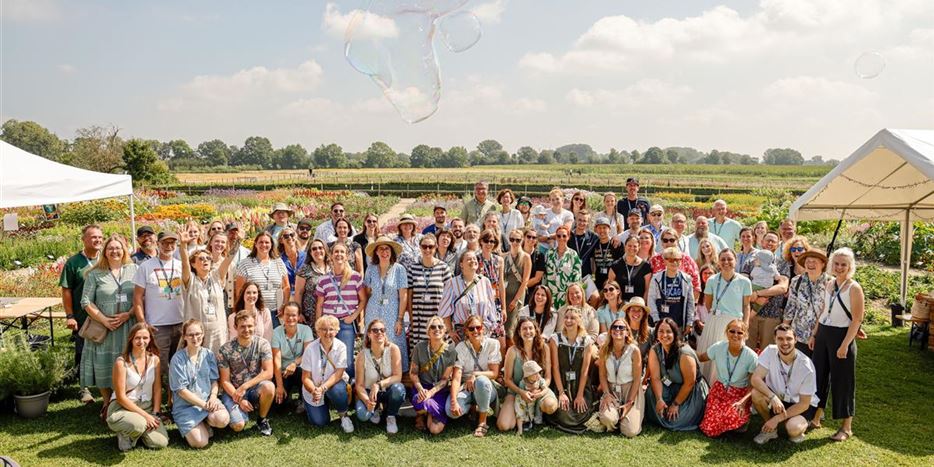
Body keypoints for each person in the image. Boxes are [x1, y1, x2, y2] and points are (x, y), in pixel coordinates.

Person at [80, 234, 137, 419]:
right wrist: (105, 320)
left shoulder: (134, 270)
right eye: (111, 248)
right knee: (104, 364)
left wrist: (128, 314)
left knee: (127, 363)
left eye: (118, 247)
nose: (115, 251)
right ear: (105, 251)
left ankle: (126, 398)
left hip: (128, 325)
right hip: (104, 328)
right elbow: (86, 301)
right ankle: (106, 401)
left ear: (124, 250)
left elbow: (141, 297)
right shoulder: (95, 274)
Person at [809, 247, 863, 441]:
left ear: (850, 267)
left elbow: (857, 320)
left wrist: (845, 345)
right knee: (819, 377)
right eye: (837, 263)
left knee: (842, 382)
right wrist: (814, 334)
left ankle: (846, 427)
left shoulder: (854, 288)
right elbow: (823, 310)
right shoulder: (830, 283)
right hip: (823, 332)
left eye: (844, 265)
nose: (839, 267)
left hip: (842, 336)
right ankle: (816, 417)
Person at [133, 231, 185, 407]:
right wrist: (143, 323)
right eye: (165, 243)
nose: (169, 246)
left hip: (180, 324)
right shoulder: (146, 267)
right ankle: (156, 403)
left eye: (172, 243)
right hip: (157, 326)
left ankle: (172, 401)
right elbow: (138, 298)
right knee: (159, 368)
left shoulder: (180, 265)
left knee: (177, 366)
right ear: (157, 244)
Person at [750, 324, 818, 445]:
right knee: (756, 394)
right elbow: (755, 379)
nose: (785, 342)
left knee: (793, 429)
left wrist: (778, 418)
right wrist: (772, 397)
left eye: (789, 338)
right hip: (778, 399)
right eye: (780, 339)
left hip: (799, 404)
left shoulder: (806, 366)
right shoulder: (770, 351)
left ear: (795, 339)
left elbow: (804, 404)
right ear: (775, 339)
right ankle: (771, 430)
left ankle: (796, 424)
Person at [107, 323, 168, 451]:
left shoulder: (155, 360)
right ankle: (125, 433)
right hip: (123, 407)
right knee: (139, 424)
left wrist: (155, 413)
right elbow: (121, 398)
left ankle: (136, 432)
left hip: (146, 406)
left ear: (150, 339)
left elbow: (157, 388)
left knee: (160, 442)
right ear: (131, 339)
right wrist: (146, 417)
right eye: (137, 338)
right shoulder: (121, 362)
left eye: (145, 338)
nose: (142, 341)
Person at [170, 319, 230, 448]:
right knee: (200, 443)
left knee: (223, 420)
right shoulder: (177, 359)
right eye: (190, 335)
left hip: (207, 401)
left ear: (203, 335)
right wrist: (204, 405)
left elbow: (214, 381)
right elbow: (181, 391)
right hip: (185, 406)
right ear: (184, 336)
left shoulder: (208, 354)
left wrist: (213, 398)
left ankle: (206, 421)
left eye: (198, 334)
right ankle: (202, 424)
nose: (195, 338)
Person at [61, 224, 103, 404]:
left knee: (104, 351)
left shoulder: (106, 259)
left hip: (104, 316)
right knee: (82, 353)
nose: (98, 240)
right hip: (82, 317)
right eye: (93, 237)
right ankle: (84, 388)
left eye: (100, 237)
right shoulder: (74, 263)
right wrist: (70, 316)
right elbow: (67, 290)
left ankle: (105, 384)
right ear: (84, 239)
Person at [698, 249, 752, 383]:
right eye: (723, 259)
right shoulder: (712, 280)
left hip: (734, 324)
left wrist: (745, 324)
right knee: (710, 356)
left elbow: (746, 306)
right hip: (715, 322)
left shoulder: (744, 281)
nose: (726, 262)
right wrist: (717, 316)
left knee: (727, 358)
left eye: (729, 259)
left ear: (735, 260)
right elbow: (709, 303)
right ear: (718, 262)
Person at [218, 310, 275, 436]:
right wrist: (239, 399)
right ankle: (234, 412)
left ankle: (262, 419)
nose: (247, 329)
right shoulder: (225, 349)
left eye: (250, 326)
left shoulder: (262, 344)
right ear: (235, 327)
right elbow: (225, 381)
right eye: (242, 326)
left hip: (252, 389)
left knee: (269, 387)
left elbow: (268, 372)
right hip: (233, 391)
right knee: (238, 426)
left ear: (254, 326)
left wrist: (245, 386)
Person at [645, 318, 708, 431]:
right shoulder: (655, 349)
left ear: (675, 333)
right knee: (651, 393)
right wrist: (659, 399)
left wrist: (675, 404)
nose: (664, 335)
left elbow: (689, 383)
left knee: (675, 422)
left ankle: (676, 410)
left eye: (669, 331)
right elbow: (655, 377)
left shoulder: (684, 353)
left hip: (689, 390)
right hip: (669, 385)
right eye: (661, 331)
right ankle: (662, 408)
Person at [697, 319, 758, 437]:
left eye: (740, 333)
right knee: (709, 426)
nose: (735, 335)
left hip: (739, 394)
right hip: (719, 391)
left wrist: (742, 402)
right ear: (726, 332)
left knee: (732, 415)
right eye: (732, 331)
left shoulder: (751, 356)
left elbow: (753, 385)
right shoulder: (718, 347)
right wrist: (684, 349)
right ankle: (730, 427)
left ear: (745, 335)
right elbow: (701, 357)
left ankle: (740, 423)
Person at [314, 242, 366, 380]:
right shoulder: (323, 280)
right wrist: (318, 326)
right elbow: (319, 304)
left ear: (347, 256)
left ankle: (349, 391)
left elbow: (363, 300)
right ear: (330, 256)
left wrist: (354, 316)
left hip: (345, 322)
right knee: (328, 357)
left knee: (347, 360)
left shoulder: (355, 277)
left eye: (342, 252)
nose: (339, 255)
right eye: (336, 252)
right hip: (328, 325)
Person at [179, 231, 237, 353]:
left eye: (208, 258)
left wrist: (238, 242)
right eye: (200, 259)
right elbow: (185, 264)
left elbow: (228, 259)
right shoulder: (190, 280)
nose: (205, 261)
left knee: (218, 366)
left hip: (218, 333)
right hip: (196, 335)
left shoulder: (216, 277)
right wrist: (183, 246)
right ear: (193, 264)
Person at [497, 316, 558, 432]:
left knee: (550, 405)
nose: (528, 332)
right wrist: (522, 392)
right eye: (524, 329)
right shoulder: (513, 351)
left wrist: (542, 391)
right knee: (503, 426)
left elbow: (548, 377)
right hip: (517, 391)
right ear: (519, 332)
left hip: (539, 389)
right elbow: (508, 379)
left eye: (531, 328)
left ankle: (536, 412)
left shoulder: (545, 348)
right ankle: (519, 413)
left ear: (536, 331)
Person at [447, 315, 502, 437]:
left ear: (483, 328)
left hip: (486, 386)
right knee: (450, 412)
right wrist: (453, 401)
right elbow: (456, 378)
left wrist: (475, 375)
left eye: (478, 327)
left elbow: (494, 373)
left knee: (481, 381)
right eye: (471, 329)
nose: (475, 331)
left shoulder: (493, 344)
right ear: (466, 331)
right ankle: (472, 408)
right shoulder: (461, 347)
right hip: (466, 387)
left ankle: (482, 421)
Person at [300, 315, 354, 432]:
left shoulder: (341, 347)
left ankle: (343, 415)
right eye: (323, 329)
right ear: (318, 331)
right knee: (320, 422)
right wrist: (314, 390)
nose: (327, 332)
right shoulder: (310, 348)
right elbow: (305, 378)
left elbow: (338, 374)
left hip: (332, 385)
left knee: (338, 389)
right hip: (314, 388)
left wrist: (322, 388)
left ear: (336, 331)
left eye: (331, 329)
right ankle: (311, 405)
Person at [363, 236, 409, 369]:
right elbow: (367, 292)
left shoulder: (399, 269)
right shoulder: (371, 269)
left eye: (387, 249)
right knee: (373, 338)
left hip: (393, 311)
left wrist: (400, 319)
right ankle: (373, 370)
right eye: (381, 249)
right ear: (376, 252)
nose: (384, 252)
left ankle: (395, 373)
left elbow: (403, 295)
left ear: (391, 251)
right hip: (373, 310)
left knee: (393, 340)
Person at [548, 307, 595, 433]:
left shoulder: (586, 341)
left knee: (581, 411)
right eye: (566, 317)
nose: (568, 320)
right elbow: (555, 368)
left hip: (579, 384)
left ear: (580, 320)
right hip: (561, 383)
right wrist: (561, 393)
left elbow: (585, 370)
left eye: (572, 318)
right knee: (563, 413)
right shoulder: (555, 339)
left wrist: (580, 395)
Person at [354, 319, 406, 434]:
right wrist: (367, 401)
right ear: (369, 334)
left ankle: (390, 416)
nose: (379, 333)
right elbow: (359, 385)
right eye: (375, 330)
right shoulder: (362, 355)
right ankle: (375, 408)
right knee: (363, 415)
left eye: (382, 330)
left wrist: (378, 384)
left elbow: (398, 377)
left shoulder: (393, 349)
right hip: (369, 393)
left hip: (388, 390)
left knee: (398, 389)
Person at [438, 250, 502, 343]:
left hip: (481, 331)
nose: (472, 261)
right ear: (461, 264)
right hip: (462, 333)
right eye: (468, 259)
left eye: (474, 259)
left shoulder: (485, 281)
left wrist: (490, 329)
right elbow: (444, 310)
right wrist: (450, 331)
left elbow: (491, 308)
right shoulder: (452, 283)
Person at [409, 316, 458, 434]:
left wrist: (431, 393)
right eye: (433, 327)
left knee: (435, 430)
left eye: (440, 327)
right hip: (422, 388)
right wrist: (421, 389)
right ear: (428, 331)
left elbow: (445, 379)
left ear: (444, 330)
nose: (437, 329)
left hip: (439, 391)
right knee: (421, 400)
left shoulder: (451, 351)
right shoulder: (419, 347)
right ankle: (425, 412)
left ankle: (427, 413)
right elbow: (413, 373)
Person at [596, 318, 644, 437]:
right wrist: (606, 394)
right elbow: (602, 375)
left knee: (630, 431)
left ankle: (627, 416)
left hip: (631, 390)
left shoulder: (634, 350)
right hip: (611, 390)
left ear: (627, 332)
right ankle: (614, 417)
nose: (618, 329)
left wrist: (630, 402)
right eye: (614, 327)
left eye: (621, 327)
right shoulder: (604, 349)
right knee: (608, 419)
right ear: (610, 331)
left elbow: (637, 379)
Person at [407, 234, 454, 349]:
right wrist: (412, 319)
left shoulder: (444, 268)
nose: (427, 249)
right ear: (420, 247)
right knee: (420, 353)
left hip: (438, 318)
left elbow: (450, 295)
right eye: (424, 246)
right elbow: (409, 296)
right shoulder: (412, 268)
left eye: (431, 247)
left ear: (436, 247)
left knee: (439, 351)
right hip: (419, 320)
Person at [745, 232, 790, 351]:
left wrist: (758, 294)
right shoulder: (751, 261)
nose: (770, 243)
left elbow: (782, 288)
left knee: (768, 352)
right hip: (750, 313)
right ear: (761, 242)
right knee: (746, 350)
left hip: (772, 315)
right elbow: (743, 283)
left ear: (777, 244)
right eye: (768, 240)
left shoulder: (782, 264)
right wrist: (752, 295)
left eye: (773, 241)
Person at [235, 232, 289, 328]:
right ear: (255, 244)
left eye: (267, 242)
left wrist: (284, 305)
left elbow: (286, 287)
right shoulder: (245, 263)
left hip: (276, 313)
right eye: (261, 242)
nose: (264, 245)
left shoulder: (278, 262)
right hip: (254, 313)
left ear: (271, 244)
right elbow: (239, 290)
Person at [783, 249, 829, 356]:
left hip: (821, 335)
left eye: (815, 262)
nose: (811, 264)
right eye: (808, 261)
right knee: (800, 368)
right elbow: (791, 306)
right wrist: (785, 329)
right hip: (799, 334)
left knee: (820, 370)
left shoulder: (831, 283)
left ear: (823, 264)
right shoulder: (797, 281)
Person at [271, 303, 313, 413]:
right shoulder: (276, 332)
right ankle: (291, 400)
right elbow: (276, 359)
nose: (290, 318)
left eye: (294, 315)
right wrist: (279, 386)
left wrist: (294, 364)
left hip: (301, 369)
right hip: (284, 371)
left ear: (299, 316)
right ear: (282, 315)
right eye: (287, 315)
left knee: (302, 372)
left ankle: (303, 399)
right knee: (277, 408)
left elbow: (308, 354)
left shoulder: (306, 330)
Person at [648, 247, 696, 334]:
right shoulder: (656, 278)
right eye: (670, 260)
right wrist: (656, 320)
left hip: (679, 324)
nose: (674, 262)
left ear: (681, 261)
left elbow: (690, 302)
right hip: (660, 323)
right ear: (664, 261)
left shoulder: (686, 279)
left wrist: (690, 322)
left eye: (677, 259)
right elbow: (651, 300)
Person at [650, 230, 701, 298]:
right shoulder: (655, 260)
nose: (669, 243)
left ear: (677, 241)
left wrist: (690, 305)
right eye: (665, 240)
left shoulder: (687, 260)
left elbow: (696, 285)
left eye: (672, 240)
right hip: (659, 302)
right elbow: (649, 285)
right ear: (662, 243)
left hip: (681, 303)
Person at [503, 229, 532, 340]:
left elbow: (525, 281)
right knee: (503, 327)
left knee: (512, 326)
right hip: (504, 294)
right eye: (512, 239)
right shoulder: (503, 256)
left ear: (522, 240)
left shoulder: (525, 257)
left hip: (517, 294)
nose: (515, 242)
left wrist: (515, 300)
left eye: (518, 240)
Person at [294, 239, 331, 325]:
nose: (318, 251)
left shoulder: (333, 268)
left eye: (320, 248)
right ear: (310, 253)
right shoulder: (304, 270)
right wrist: (299, 313)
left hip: (331, 315)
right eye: (314, 249)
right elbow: (298, 293)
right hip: (310, 317)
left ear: (325, 250)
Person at [544, 225, 582, 309]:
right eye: (558, 236)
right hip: (551, 295)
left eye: (564, 236)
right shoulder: (549, 253)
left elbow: (577, 278)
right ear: (556, 237)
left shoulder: (573, 254)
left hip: (566, 297)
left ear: (568, 237)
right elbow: (544, 276)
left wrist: (574, 296)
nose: (561, 238)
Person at [607, 235, 652, 304]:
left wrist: (643, 304)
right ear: (625, 246)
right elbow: (610, 288)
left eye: (635, 246)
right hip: (620, 305)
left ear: (639, 247)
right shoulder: (615, 266)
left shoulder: (646, 267)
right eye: (629, 245)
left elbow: (647, 289)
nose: (632, 248)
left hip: (638, 306)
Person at [590, 216, 624, 295]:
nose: (602, 230)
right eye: (599, 228)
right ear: (595, 229)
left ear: (609, 229)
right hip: (598, 281)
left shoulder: (616, 243)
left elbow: (621, 263)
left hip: (613, 282)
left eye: (604, 227)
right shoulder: (594, 244)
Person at [477, 229, 507, 321]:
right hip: (480, 299)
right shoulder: (475, 259)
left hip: (495, 300)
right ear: (481, 241)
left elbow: (501, 284)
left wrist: (503, 308)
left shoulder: (499, 260)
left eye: (492, 241)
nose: (489, 244)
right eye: (486, 241)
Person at [514, 361, 550, 435]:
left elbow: (545, 389)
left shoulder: (540, 380)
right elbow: (522, 393)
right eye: (534, 373)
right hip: (524, 401)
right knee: (519, 403)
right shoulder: (523, 382)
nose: (537, 375)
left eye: (538, 373)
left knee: (534, 407)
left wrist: (539, 394)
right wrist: (527, 394)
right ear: (528, 375)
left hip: (535, 400)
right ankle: (520, 428)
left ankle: (534, 421)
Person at [223, 222, 252, 313]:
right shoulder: (221, 250)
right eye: (231, 233)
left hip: (241, 289)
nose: (235, 236)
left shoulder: (247, 252)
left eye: (237, 233)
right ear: (226, 234)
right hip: (226, 290)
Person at [569, 210, 597, 279]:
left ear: (588, 222)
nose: (582, 223)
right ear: (575, 220)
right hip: (570, 274)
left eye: (584, 221)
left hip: (586, 275)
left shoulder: (593, 237)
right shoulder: (568, 236)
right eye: (580, 220)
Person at [278, 227, 307, 293]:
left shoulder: (306, 257)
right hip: (288, 297)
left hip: (305, 296)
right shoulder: (279, 261)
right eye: (286, 236)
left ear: (296, 237)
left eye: (292, 235)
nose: (290, 237)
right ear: (281, 240)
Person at [521, 228, 546, 302]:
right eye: (529, 236)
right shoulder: (517, 254)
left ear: (536, 240)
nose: (531, 239)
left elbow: (537, 278)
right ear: (524, 238)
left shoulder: (540, 256)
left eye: (534, 237)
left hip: (532, 293)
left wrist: (521, 287)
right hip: (515, 290)